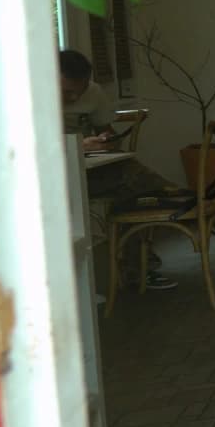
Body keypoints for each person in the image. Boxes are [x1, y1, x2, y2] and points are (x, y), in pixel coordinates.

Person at [59, 49, 183, 289]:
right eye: (67, 92)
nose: (74, 98)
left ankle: (140, 263)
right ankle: (182, 204)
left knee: (134, 190)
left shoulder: (93, 93)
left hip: (88, 169)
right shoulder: (30, 95)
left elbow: (107, 130)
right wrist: (80, 145)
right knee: (137, 185)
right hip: (55, 177)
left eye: (79, 90)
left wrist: (107, 140)